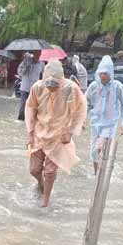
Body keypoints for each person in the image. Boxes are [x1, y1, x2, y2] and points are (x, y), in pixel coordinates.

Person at [24, 59, 87, 207]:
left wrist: (71, 131)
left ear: (61, 80)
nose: (52, 88)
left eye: (55, 85)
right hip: (40, 133)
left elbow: (81, 109)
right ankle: (41, 183)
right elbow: (30, 108)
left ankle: (45, 200)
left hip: (59, 135)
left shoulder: (70, 88)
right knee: (34, 170)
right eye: (49, 84)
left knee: (50, 171)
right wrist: (30, 132)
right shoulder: (37, 88)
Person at [85, 55, 123, 175]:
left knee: (101, 147)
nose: (103, 76)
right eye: (101, 73)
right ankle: (97, 176)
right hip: (95, 123)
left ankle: (103, 174)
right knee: (94, 152)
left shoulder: (117, 87)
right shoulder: (94, 86)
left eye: (105, 73)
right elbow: (85, 103)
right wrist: (82, 120)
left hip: (109, 125)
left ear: (110, 73)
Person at [17, 50, 44, 121]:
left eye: (39, 53)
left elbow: (43, 75)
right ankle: (20, 121)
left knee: (34, 107)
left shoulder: (41, 64)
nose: (38, 55)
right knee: (23, 107)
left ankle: (32, 121)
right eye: (37, 53)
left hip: (35, 89)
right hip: (25, 88)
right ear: (34, 53)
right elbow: (19, 73)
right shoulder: (26, 61)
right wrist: (26, 66)